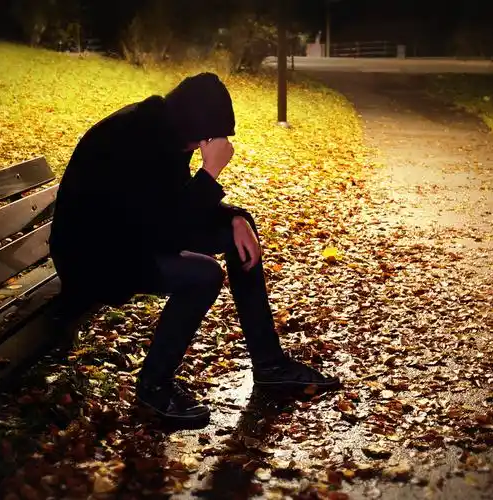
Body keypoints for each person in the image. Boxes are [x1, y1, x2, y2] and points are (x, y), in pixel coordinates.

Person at [49, 72, 340, 426]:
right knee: (204, 276)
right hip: (94, 258)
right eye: (205, 139)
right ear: (194, 127)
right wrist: (209, 173)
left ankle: (269, 364)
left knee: (237, 232)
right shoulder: (131, 139)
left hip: (129, 239)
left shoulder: (164, 130)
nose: (204, 147)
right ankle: (153, 387)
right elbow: (165, 230)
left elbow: (172, 205)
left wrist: (233, 217)